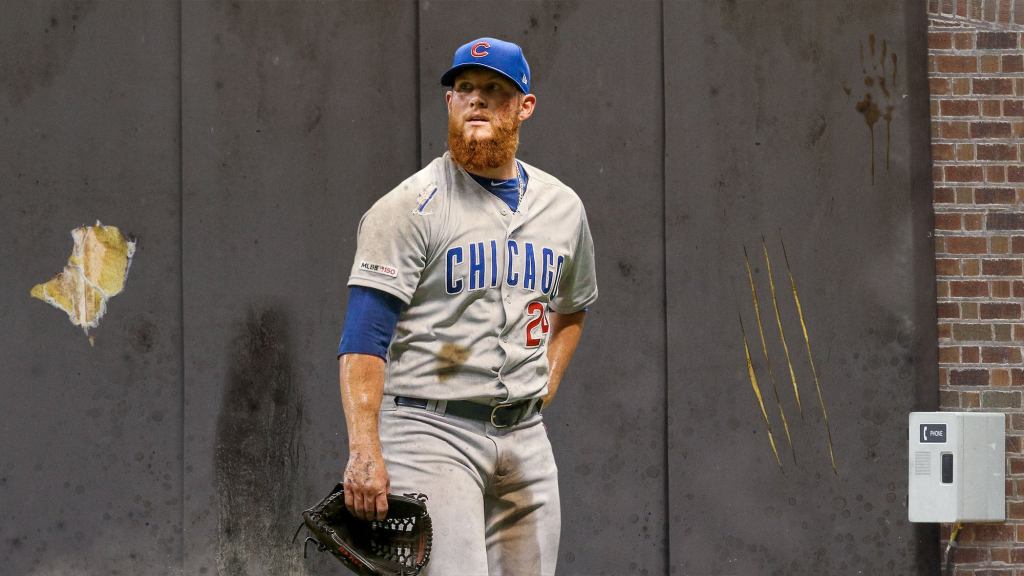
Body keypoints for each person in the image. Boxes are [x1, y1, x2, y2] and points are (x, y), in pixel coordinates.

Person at [337, 36, 598, 575]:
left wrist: (545, 384)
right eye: (464, 89)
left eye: (493, 89)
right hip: (431, 432)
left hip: (525, 438)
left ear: (524, 105)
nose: (476, 99)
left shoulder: (563, 207)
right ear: (450, 103)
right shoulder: (409, 207)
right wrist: (365, 448)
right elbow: (363, 338)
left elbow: (573, 308)